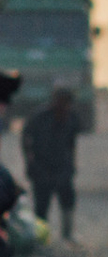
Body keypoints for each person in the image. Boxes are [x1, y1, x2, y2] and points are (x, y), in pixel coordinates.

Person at [22, 87, 80, 241]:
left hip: (62, 167)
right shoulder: (39, 117)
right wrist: (30, 163)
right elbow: (26, 139)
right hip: (42, 167)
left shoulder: (71, 118)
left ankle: (67, 235)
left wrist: (72, 165)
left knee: (67, 200)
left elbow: (71, 143)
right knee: (41, 205)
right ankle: (41, 238)